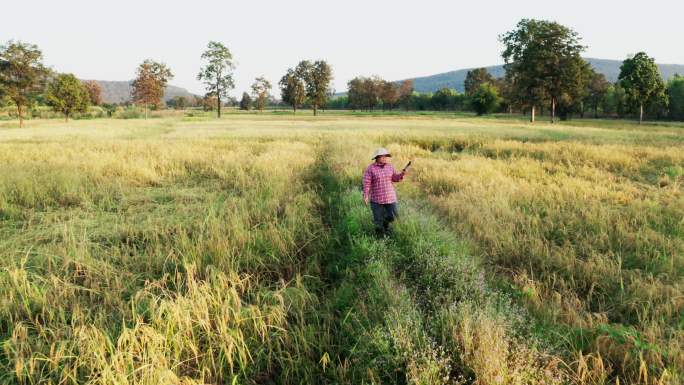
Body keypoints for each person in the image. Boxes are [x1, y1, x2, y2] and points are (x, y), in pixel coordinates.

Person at [362, 148, 407, 237]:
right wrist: (366, 195)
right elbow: (367, 183)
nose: (385, 158)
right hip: (376, 199)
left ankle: (386, 228)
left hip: (390, 198)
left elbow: (395, 178)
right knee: (378, 221)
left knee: (393, 216)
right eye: (382, 156)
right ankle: (380, 238)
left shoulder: (390, 167)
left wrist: (402, 174)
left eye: (386, 156)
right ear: (377, 157)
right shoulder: (370, 169)